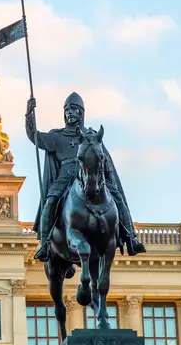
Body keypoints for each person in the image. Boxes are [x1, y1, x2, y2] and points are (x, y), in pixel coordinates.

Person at [26, 92, 146, 261]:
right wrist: (29, 113)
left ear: (81, 113)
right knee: (51, 199)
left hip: (92, 176)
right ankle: (45, 243)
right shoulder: (57, 135)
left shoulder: (92, 136)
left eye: (73, 109)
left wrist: (109, 178)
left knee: (117, 196)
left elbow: (104, 160)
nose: (69, 113)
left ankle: (130, 237)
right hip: (65, 176)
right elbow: (35, 137)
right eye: (66, 110)